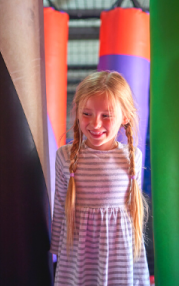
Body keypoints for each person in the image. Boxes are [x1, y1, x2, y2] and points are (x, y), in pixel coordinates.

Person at [51, 71, 150, 286]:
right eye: (87, 113)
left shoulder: (132, 157)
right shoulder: (65, 156)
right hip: (78, 251)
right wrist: (55, 248)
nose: (95, 124)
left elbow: (132, 209)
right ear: (76, 111)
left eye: (106, 115)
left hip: (119, 254)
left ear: (125, 116)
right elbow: (60, 204)